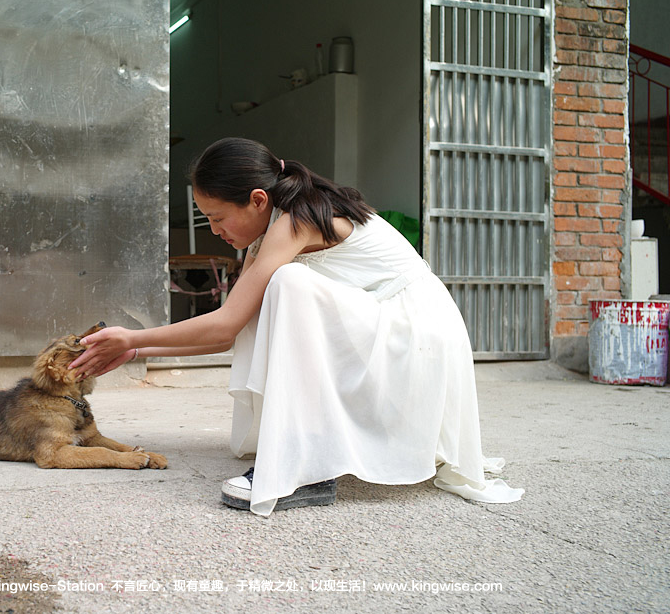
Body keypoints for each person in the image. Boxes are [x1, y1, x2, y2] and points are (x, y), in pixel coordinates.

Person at [70, 137, 524, 516]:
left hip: (417, 333)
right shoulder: (270, 233)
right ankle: (293, 442)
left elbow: (224, 325)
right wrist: (133, 350)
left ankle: (305, 467)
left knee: (286, 284)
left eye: (218, 217)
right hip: (389, 330)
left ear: (258, 200)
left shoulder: (297, 217)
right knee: (263, 291)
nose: (213, 230)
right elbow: (228, 328)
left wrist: (134, 339)